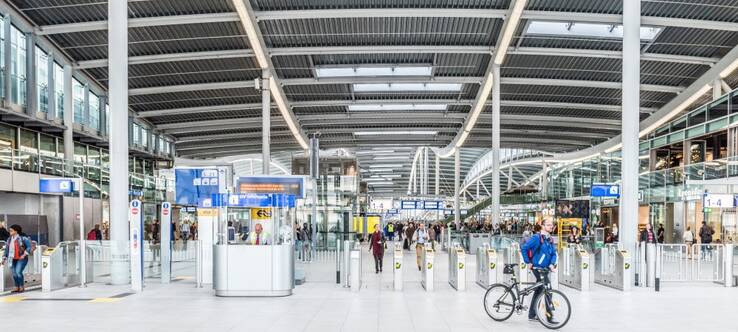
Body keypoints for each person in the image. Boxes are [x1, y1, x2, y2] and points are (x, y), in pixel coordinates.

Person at [521, 218, 557, 324]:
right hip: (537, 268)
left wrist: (551, 264)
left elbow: (554, 253)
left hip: (546, 268)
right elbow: (524, 248)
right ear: (542, 226)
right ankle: (549, 317)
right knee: (548, 289)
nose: (551, 226)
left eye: (552, 225)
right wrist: (528, 262)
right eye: (548, 225)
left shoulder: (550, 239)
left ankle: (532, 314)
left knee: (539, 290)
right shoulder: (536, 238)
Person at [1, 225, 33, 293]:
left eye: (11, 230)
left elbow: (29, 247)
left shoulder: (23, 238)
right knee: (14, 274)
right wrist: (4, 258)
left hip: (21, 258)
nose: (10, 232)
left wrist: (24, 255)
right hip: (12, 258)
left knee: (18, 272)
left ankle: (21, 286)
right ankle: (16, 287)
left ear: (16, 231)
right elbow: (7, 250)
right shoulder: (9, 239)